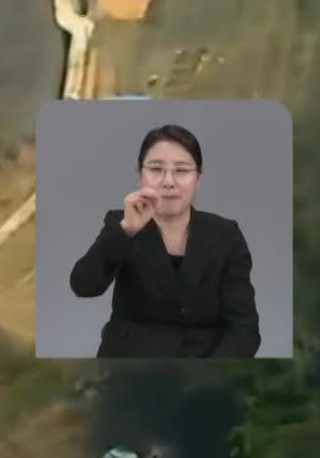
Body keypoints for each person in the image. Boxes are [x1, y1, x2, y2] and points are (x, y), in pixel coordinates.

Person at [68, 124, 260, 357]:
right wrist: (126, 232)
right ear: (140, 175)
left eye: (182, 171)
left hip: (204, 371)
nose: (168, 182)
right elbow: (83, 286)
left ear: (198, 179)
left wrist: (210, 377)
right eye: (156, 169)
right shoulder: (120, 222)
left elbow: (244, 328)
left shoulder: (226, 234)